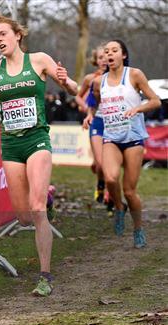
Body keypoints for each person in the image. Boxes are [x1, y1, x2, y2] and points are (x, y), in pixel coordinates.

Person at [0, 11, 78, 297]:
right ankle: (47, 193)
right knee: (23, 216)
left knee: (37, 211)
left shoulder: (38, 60)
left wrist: (66, 80)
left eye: (3, 34)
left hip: (37, 140)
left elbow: (72, 88)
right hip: (11, 145)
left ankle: (44, 276)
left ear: (17, 35)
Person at [84, 40, 160, 248]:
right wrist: (89, 116)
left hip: (134, 138)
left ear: (123, 55)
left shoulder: (134, 75)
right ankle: (119, 208)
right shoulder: (99, 82)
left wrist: (138, 109)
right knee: (109, 177)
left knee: (129, 191)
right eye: (106, 51)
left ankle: (137, 228)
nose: (109, 54)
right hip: (112, 137)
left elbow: (156, 101)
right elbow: (94, 102)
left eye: (114, 51)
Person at [77, 45, 114, 212]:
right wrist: (87, 110)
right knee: (100, 163)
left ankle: (109, 194)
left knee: (108, 164)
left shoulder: (117, 77)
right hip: (97, 120)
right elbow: (79, 96)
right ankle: (101, 183)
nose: (103, 60)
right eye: (100, 57)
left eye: (105, 57)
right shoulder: (91, 79)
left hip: (113, 122)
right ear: (95, 60)